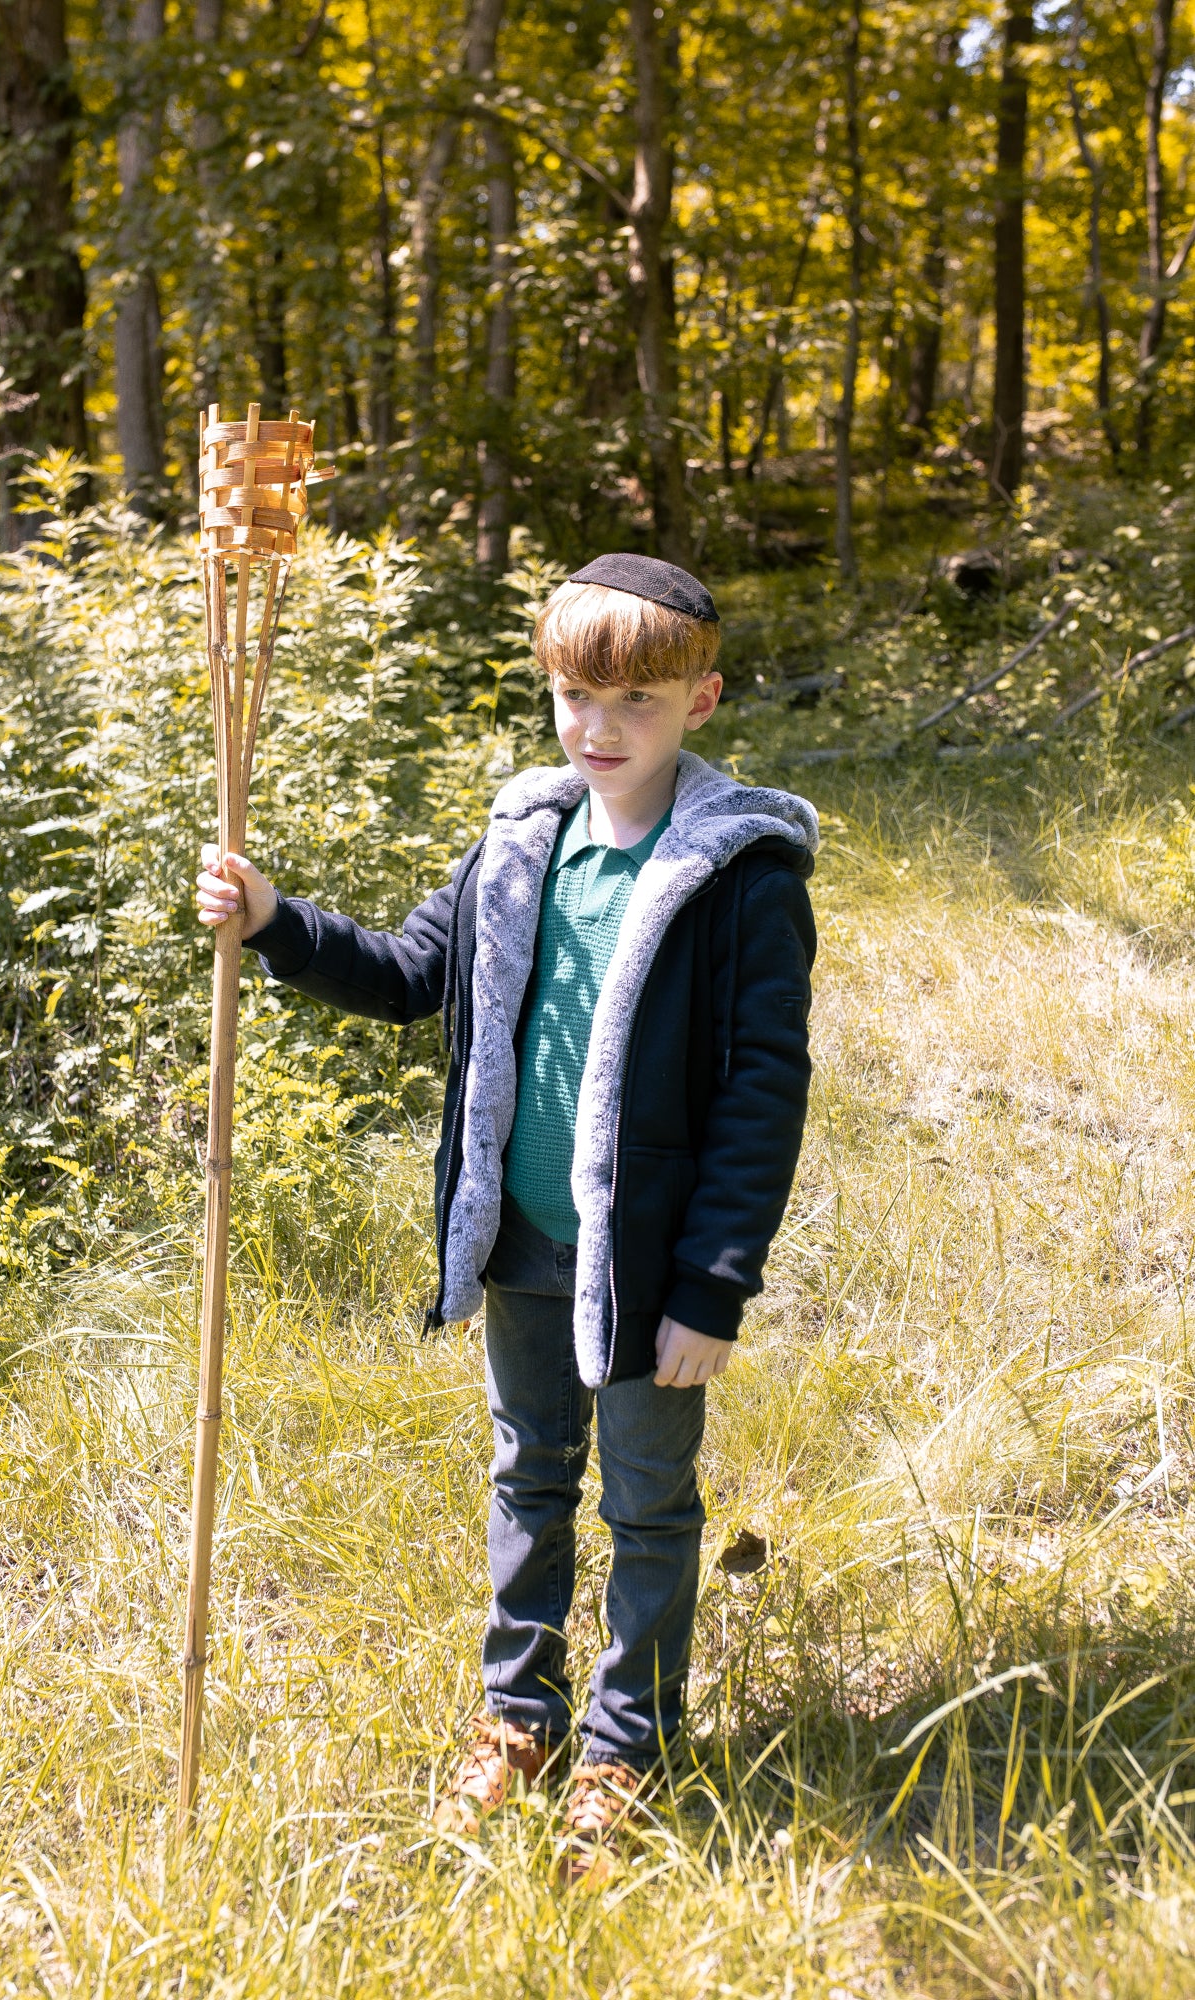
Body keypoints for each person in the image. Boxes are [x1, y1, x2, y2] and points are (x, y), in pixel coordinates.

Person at [194, 552, 818, 1882]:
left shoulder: (743, 875)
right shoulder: (519, 841)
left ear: (700, 700)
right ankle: (519, 1721)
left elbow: (764, 1089)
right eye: (573, 698)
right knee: (529, 1475)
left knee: (646, 1502)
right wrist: (274, 923)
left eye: (635, 702)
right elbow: (413, 974)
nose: (597, 731)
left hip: (645, 1266)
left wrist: (713, 1287)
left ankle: (624, 1747)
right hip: (522, 1243)